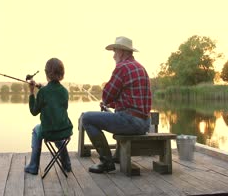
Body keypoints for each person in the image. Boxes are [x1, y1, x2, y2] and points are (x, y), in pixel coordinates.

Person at [81, 36, 152, 173]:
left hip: (131, 123)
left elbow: (106, 96)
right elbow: (132, 102)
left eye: (114, 52)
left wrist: (106, 101)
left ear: (121, 52)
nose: (113, 56)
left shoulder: (122, 67)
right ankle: (117, 156)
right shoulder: (141, 68)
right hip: (145, 124)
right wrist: (112, 105)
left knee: (87, 118)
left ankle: (106, 162)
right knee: (115, 114)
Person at [24, 58, 73, 175]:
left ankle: (33, 166)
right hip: (65, 130)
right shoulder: (65, 91)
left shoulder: (43, 92)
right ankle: (67, 164)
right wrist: (42, 88)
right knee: (57, 132)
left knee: (36, 130)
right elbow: (54, 98)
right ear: (62, 74)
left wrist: (31, 92)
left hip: (49, 131)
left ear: (47, 73)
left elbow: (34, 111)